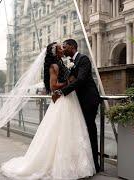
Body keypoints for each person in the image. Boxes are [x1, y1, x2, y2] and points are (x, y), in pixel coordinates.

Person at [1, 42, 96, 179]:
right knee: (62, 132)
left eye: (64, 46)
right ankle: (64, 166)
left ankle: (75, 165)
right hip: (64, 100)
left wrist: (67, 83)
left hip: (69, 99)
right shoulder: (55, 66)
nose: (63, 49)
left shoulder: (62, 63)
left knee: (72, 131)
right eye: (60, 47)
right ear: (55, 52)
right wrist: (66, 84)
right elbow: (53, 87)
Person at [52, 39, 101, 173]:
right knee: (83, 132)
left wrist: (62, 91)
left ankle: (95, 164)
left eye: (65, 46)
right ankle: (87, 163)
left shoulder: (83, 59)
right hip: (80, 101)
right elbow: (71, 80)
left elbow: (81, 80)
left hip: (89, 100)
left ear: (72, 47)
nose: (63, 48)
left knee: (90, 130)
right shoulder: (73, 63)